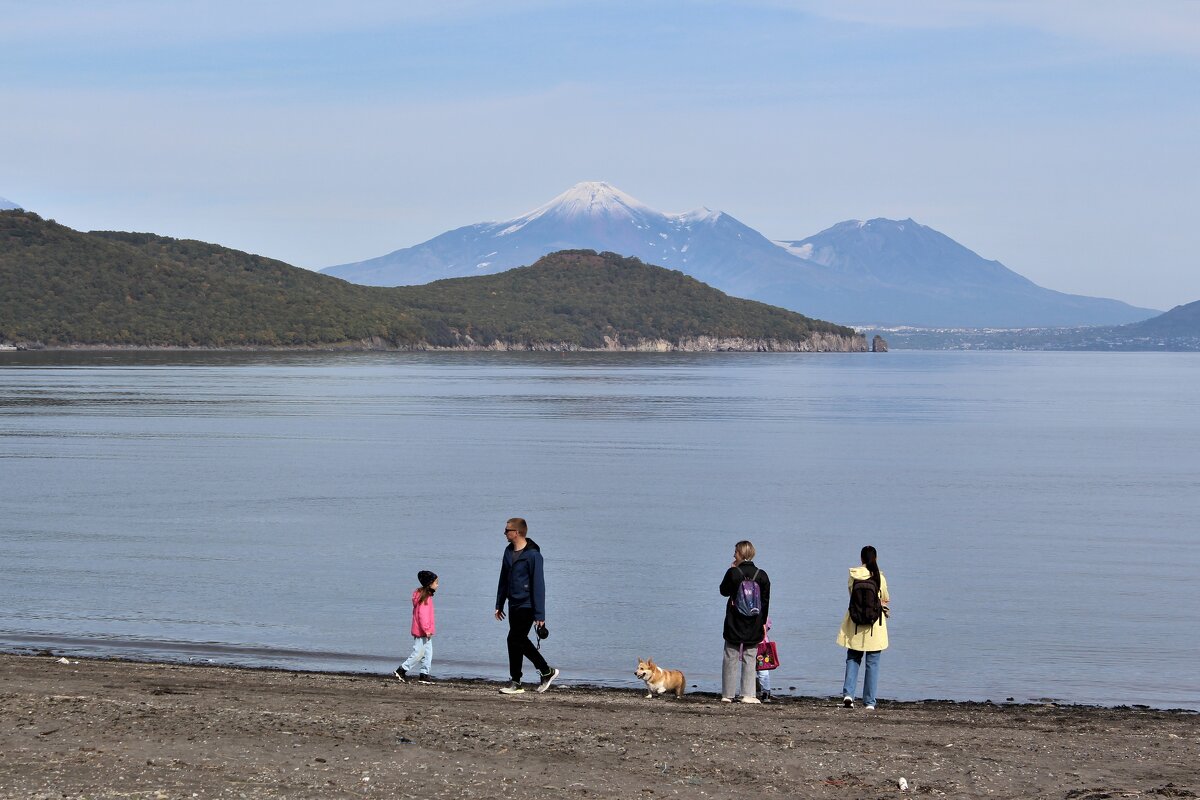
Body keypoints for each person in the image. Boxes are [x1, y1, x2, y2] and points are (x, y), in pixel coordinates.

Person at [494, 518, 559, 695]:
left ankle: (543, 672)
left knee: (515, 639)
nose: (504, 532)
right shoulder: (508, 552)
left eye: (507, 530)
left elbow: (539, 585)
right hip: (513, 603)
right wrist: (499, 603)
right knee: (516, 640)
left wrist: (540, 615)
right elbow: (503, 579)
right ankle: (519, 681)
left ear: (518, 532)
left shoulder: (533, 555)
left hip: (527, 604)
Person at [837, 545, 890, 710]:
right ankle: (869, 702)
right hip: (875, 625)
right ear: (876, 558)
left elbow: (851, 596)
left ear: (861, 559)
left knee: (853, 658)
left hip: (855, 623)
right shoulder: (879, 576)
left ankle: (848, 695)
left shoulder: (853, 575)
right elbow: (885, 599)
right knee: (872, 663)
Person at [719, 540, 770, 703]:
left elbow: (723, 591)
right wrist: (762, 622)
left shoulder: (733, 573)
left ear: (741, 554)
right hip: (754, 620)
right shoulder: (762, 575)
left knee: (730, 654)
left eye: (735, 552)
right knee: (750, 655)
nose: (734, 555)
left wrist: (731, 570)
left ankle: (728, 694)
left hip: (734, 619)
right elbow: (765, 601)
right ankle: (748, 694)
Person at [394, 570, 438, 683]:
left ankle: (424, 674)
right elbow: (422, 616)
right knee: (418, 653)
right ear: (429, 584)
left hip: (425, 631)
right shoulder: (424, 598)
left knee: (428, 653)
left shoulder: (427, 596)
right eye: (436, 582)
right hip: (422, 631)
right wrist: (427, 629)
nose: (438, 585)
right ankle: (401, 670)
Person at [756, 617, 776, 703]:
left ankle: (750, 691)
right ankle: (766, 692)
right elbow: (768, 626)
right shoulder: (764, 616)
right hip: (763, 644)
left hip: (752, 644)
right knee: (763, 669)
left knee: (748, 669)